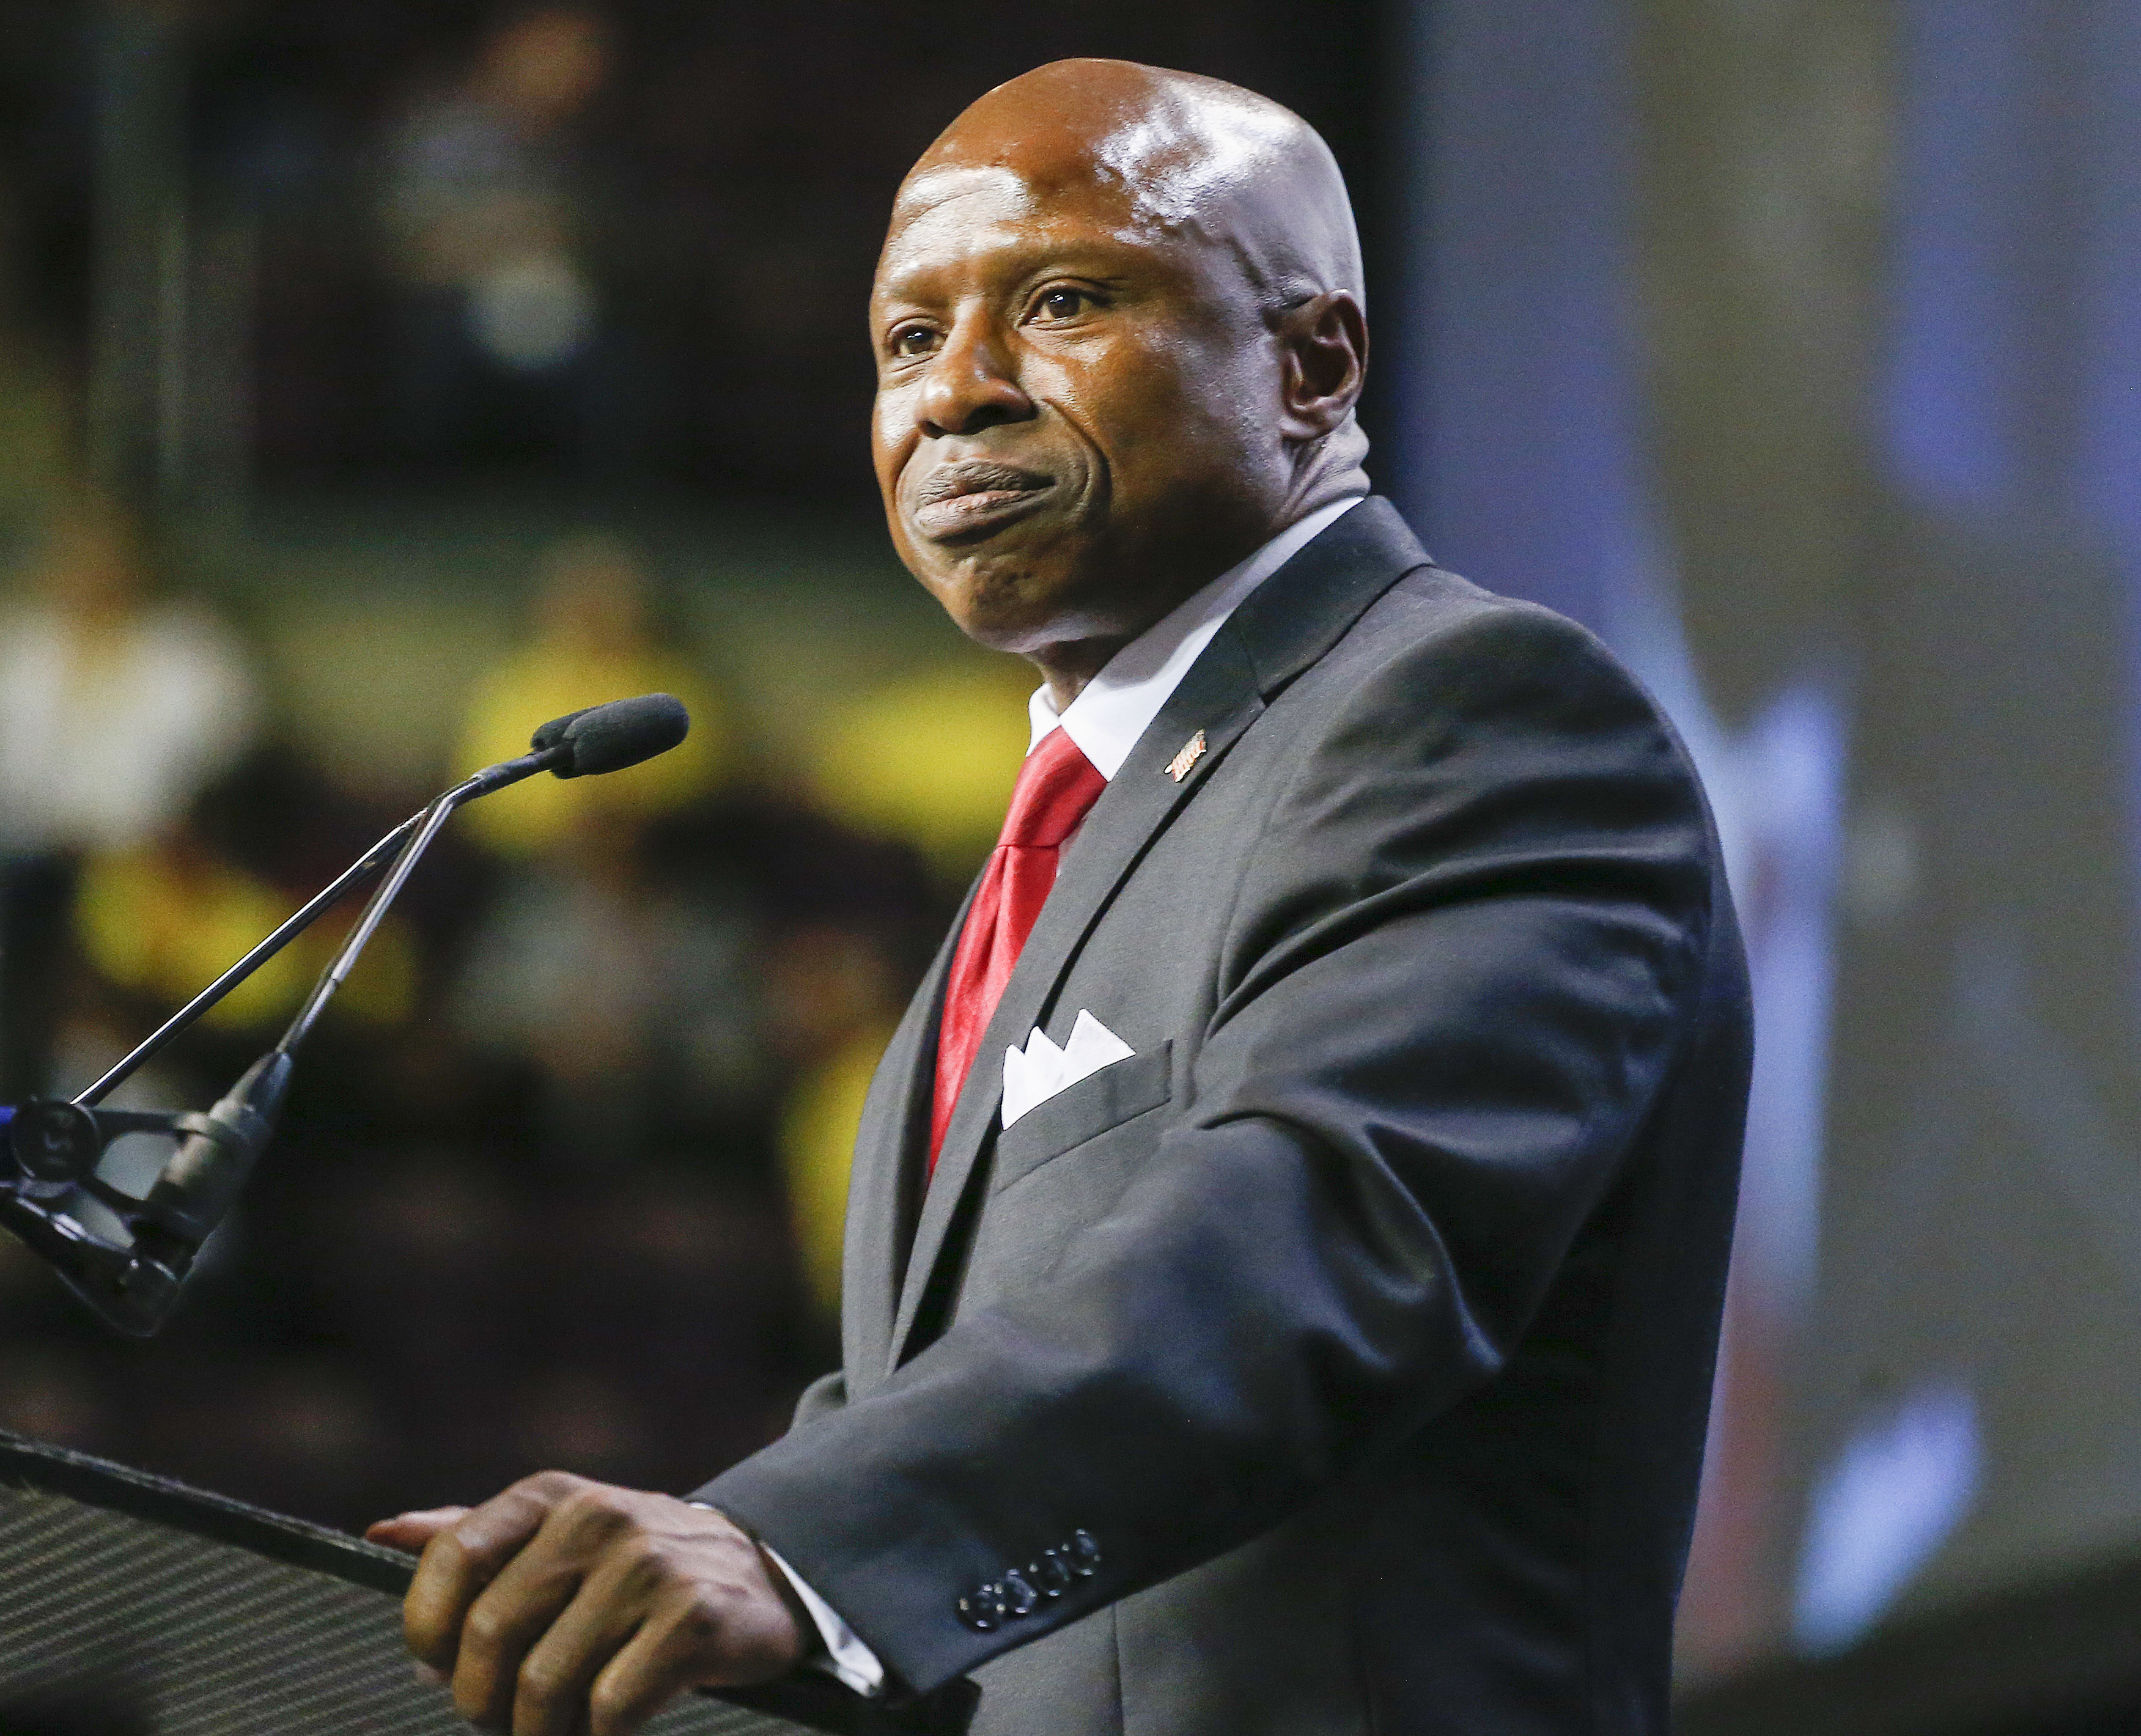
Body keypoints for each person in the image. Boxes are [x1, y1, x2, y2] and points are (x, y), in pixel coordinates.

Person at [368, 59, 1752, 1736]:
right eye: (903, 340)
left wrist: (789, 1546)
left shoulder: (1471, 716)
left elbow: (1321, 1239)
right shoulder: (1066, 845)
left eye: (1066, 300)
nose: (954, 394)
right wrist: (653, 1584)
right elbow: (953, 1412)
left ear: (1312, 365)